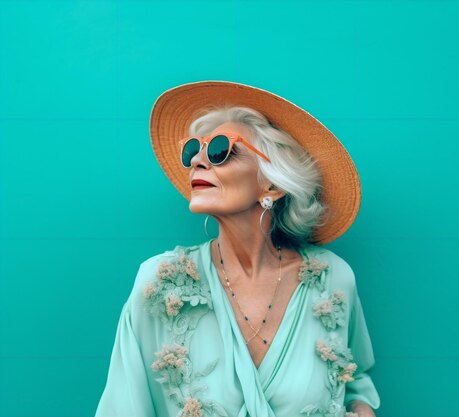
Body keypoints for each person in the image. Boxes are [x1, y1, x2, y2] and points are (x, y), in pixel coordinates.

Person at [95, 81, 381, 417]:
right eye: (193, 151)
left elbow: (354, 379)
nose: (198, 162)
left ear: (272, 184)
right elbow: (122, 406)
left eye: (220, 149)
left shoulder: (332, 279)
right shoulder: (159, 284)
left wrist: (361, 408)